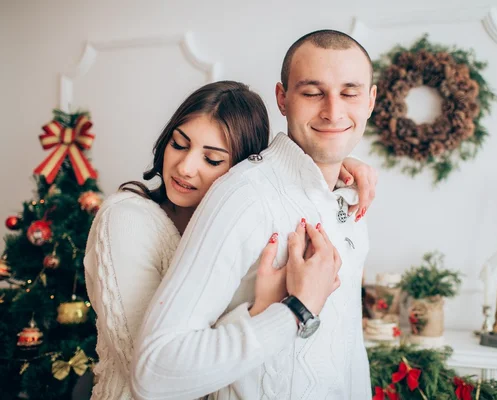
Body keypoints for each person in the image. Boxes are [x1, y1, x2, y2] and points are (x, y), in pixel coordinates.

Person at [84, 81, 377, 399]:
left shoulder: (242, 224)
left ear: (240, 170)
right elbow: (155, 372)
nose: (185, 167)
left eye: (212, 160)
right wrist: (260, 311)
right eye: (179, 144)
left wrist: (338, 166)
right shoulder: (128, 220)